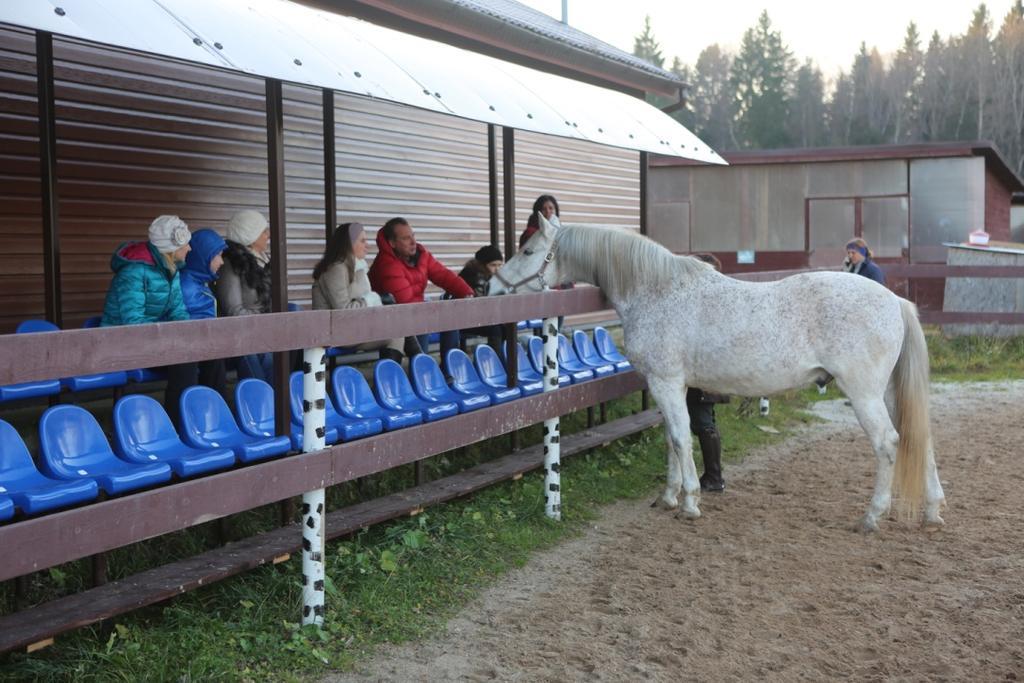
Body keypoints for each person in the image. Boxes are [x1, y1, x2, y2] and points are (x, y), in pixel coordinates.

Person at [100, 215, 194, 428]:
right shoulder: (133, 272)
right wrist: (166, 341)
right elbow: (132, 323)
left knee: (196, 354)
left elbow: (179, 312)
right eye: (185, 243)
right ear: (171, 247)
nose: (189, 248)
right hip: (120, 341)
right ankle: (176, 425)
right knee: (183, 359)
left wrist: (190, 338)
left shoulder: (172, 270)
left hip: (147, 339)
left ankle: (192, 421)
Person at [368, 217, 474, 360]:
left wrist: (466, 292)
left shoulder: (421, 255)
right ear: (392, 243)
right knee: (421, 322)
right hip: (387, 319)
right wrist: (429, 310)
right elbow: (404, 303)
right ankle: (420, 373)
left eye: (413, 236)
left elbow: (442, 275)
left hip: (414, 312)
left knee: (450, 316)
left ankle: (450, 369)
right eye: (406, 238)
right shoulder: (387, 265)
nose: (413, 243)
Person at [311, 222, 417, 362]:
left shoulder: (357, 266)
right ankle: (401, 376)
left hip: (353, 327)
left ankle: (401, 375)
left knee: (399, 326)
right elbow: (343, 312)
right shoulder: (336, 269)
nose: (367, 246)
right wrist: (370, 300)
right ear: (349, 243)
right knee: (396, 333)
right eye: (362, 241)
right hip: (335, 332)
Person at [216, 209, 274, 381]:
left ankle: (285, 396)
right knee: (260, 352)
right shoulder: (232, 263)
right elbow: (234, 311)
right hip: (241, 334)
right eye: (264, 231)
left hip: (265, 330)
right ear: (251, 234)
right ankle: (263, 400)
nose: (268, 235)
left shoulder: (265, 259)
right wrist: (264, 321)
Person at [688, 252, 729, 492]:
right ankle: (711, 474)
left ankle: (714, 476)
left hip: (704, 373)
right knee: (703, 422)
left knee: (704, 422)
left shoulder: (711, 304)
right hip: (702, 371)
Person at [178, 228, 229, 398]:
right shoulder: (187, 286)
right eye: (218, 255)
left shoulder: (202, 282)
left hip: (202, 346)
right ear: (204, 257)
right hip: (186, 350)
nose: (221, 262)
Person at [456, 244, 505, 353]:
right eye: (493, 265)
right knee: (496, 328)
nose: (497, 269)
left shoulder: (491, 278)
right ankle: (498, 361)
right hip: (465, 319)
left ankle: (503, 358)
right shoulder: (475, 277)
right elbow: (481, 306)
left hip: (477, 317)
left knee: (505, 325)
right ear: (482, 264)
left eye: (499, 265)